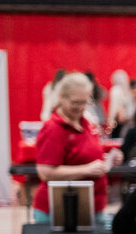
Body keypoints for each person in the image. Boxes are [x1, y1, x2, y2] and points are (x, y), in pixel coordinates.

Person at [32, 72, 123, 222]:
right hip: (61, 210)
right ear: (61, 97)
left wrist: (108, 160)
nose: (80, 107)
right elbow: (45, 172)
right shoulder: (53, 128)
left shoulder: (85, 124)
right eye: (75, 102)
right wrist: (86, 170)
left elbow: (82, 156)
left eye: (84, 102)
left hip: (90, 206)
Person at [107, 70, 131, 137]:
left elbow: (113, 108)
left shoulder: (115, 90)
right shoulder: (128, 91)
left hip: (117, 120)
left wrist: (110, 122)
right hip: (127, 120)